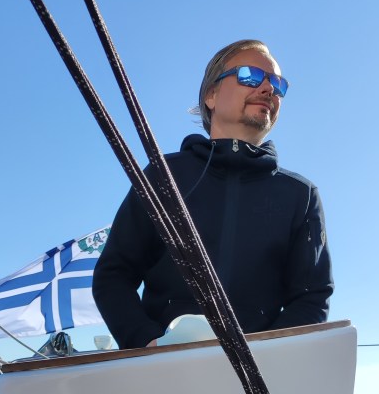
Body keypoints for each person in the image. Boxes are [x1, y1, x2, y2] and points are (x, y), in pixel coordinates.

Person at [93, 39, 333, 348]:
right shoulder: (163, 177)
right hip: (162, 365)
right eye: (249, 76)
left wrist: (268, 354)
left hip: (258, 371)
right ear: (211, 95)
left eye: (277, 84)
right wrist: (146, 342)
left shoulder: (300, 196)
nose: (268, 89)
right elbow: (114, 274)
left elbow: (312, 297)